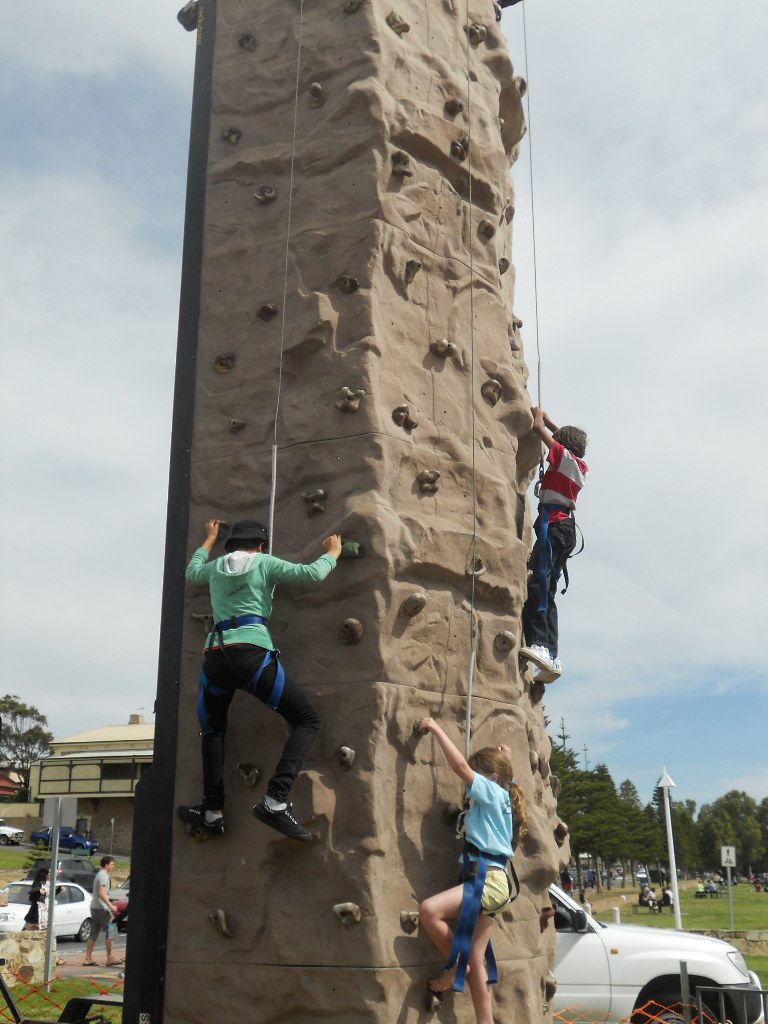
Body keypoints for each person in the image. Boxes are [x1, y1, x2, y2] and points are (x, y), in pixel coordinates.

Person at [178, 517, 342, 842]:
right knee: (307, 720)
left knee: (212, 730)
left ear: (232, 544)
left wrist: (209, 538)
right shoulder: (264, 563)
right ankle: (275, 800)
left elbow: (191, 571)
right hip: (251, 654)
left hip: (216, 655)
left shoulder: (215, 568)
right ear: (260, 545)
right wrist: (333, 552)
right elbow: (312, 574)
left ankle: (212, 811)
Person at [417, 717, 527, 1024]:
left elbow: (461, 769)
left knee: (429, 911)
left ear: (491, 778)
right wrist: (506, 759)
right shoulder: (501, 794)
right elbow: (491, 775)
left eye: (477, 776)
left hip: (488, 881)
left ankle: (456, 968)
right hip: (495, 883)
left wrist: (438, 729)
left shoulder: (492, 793)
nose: (469, 783)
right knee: (478, 960)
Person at [520, 407, 588, 682]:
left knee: (538, 582)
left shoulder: (563, 458)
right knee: (547, 588)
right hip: (564, 529)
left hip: (555, 527)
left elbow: (538, 431)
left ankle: (539, 645)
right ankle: (552, 655)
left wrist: (538, 418)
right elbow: (557, 437)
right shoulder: (577, 463)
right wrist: (550, 421)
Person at [83, 856, 120, 966]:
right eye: (112, 864)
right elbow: (101, 892)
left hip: (94, 908)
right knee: (111, 929)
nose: (113, 866)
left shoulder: (100, 875)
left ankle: (87, 958)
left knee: (93, 933)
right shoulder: (103, 876)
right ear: (106, 864)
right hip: (101, 908)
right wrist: (111, 905)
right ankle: (110, 958)